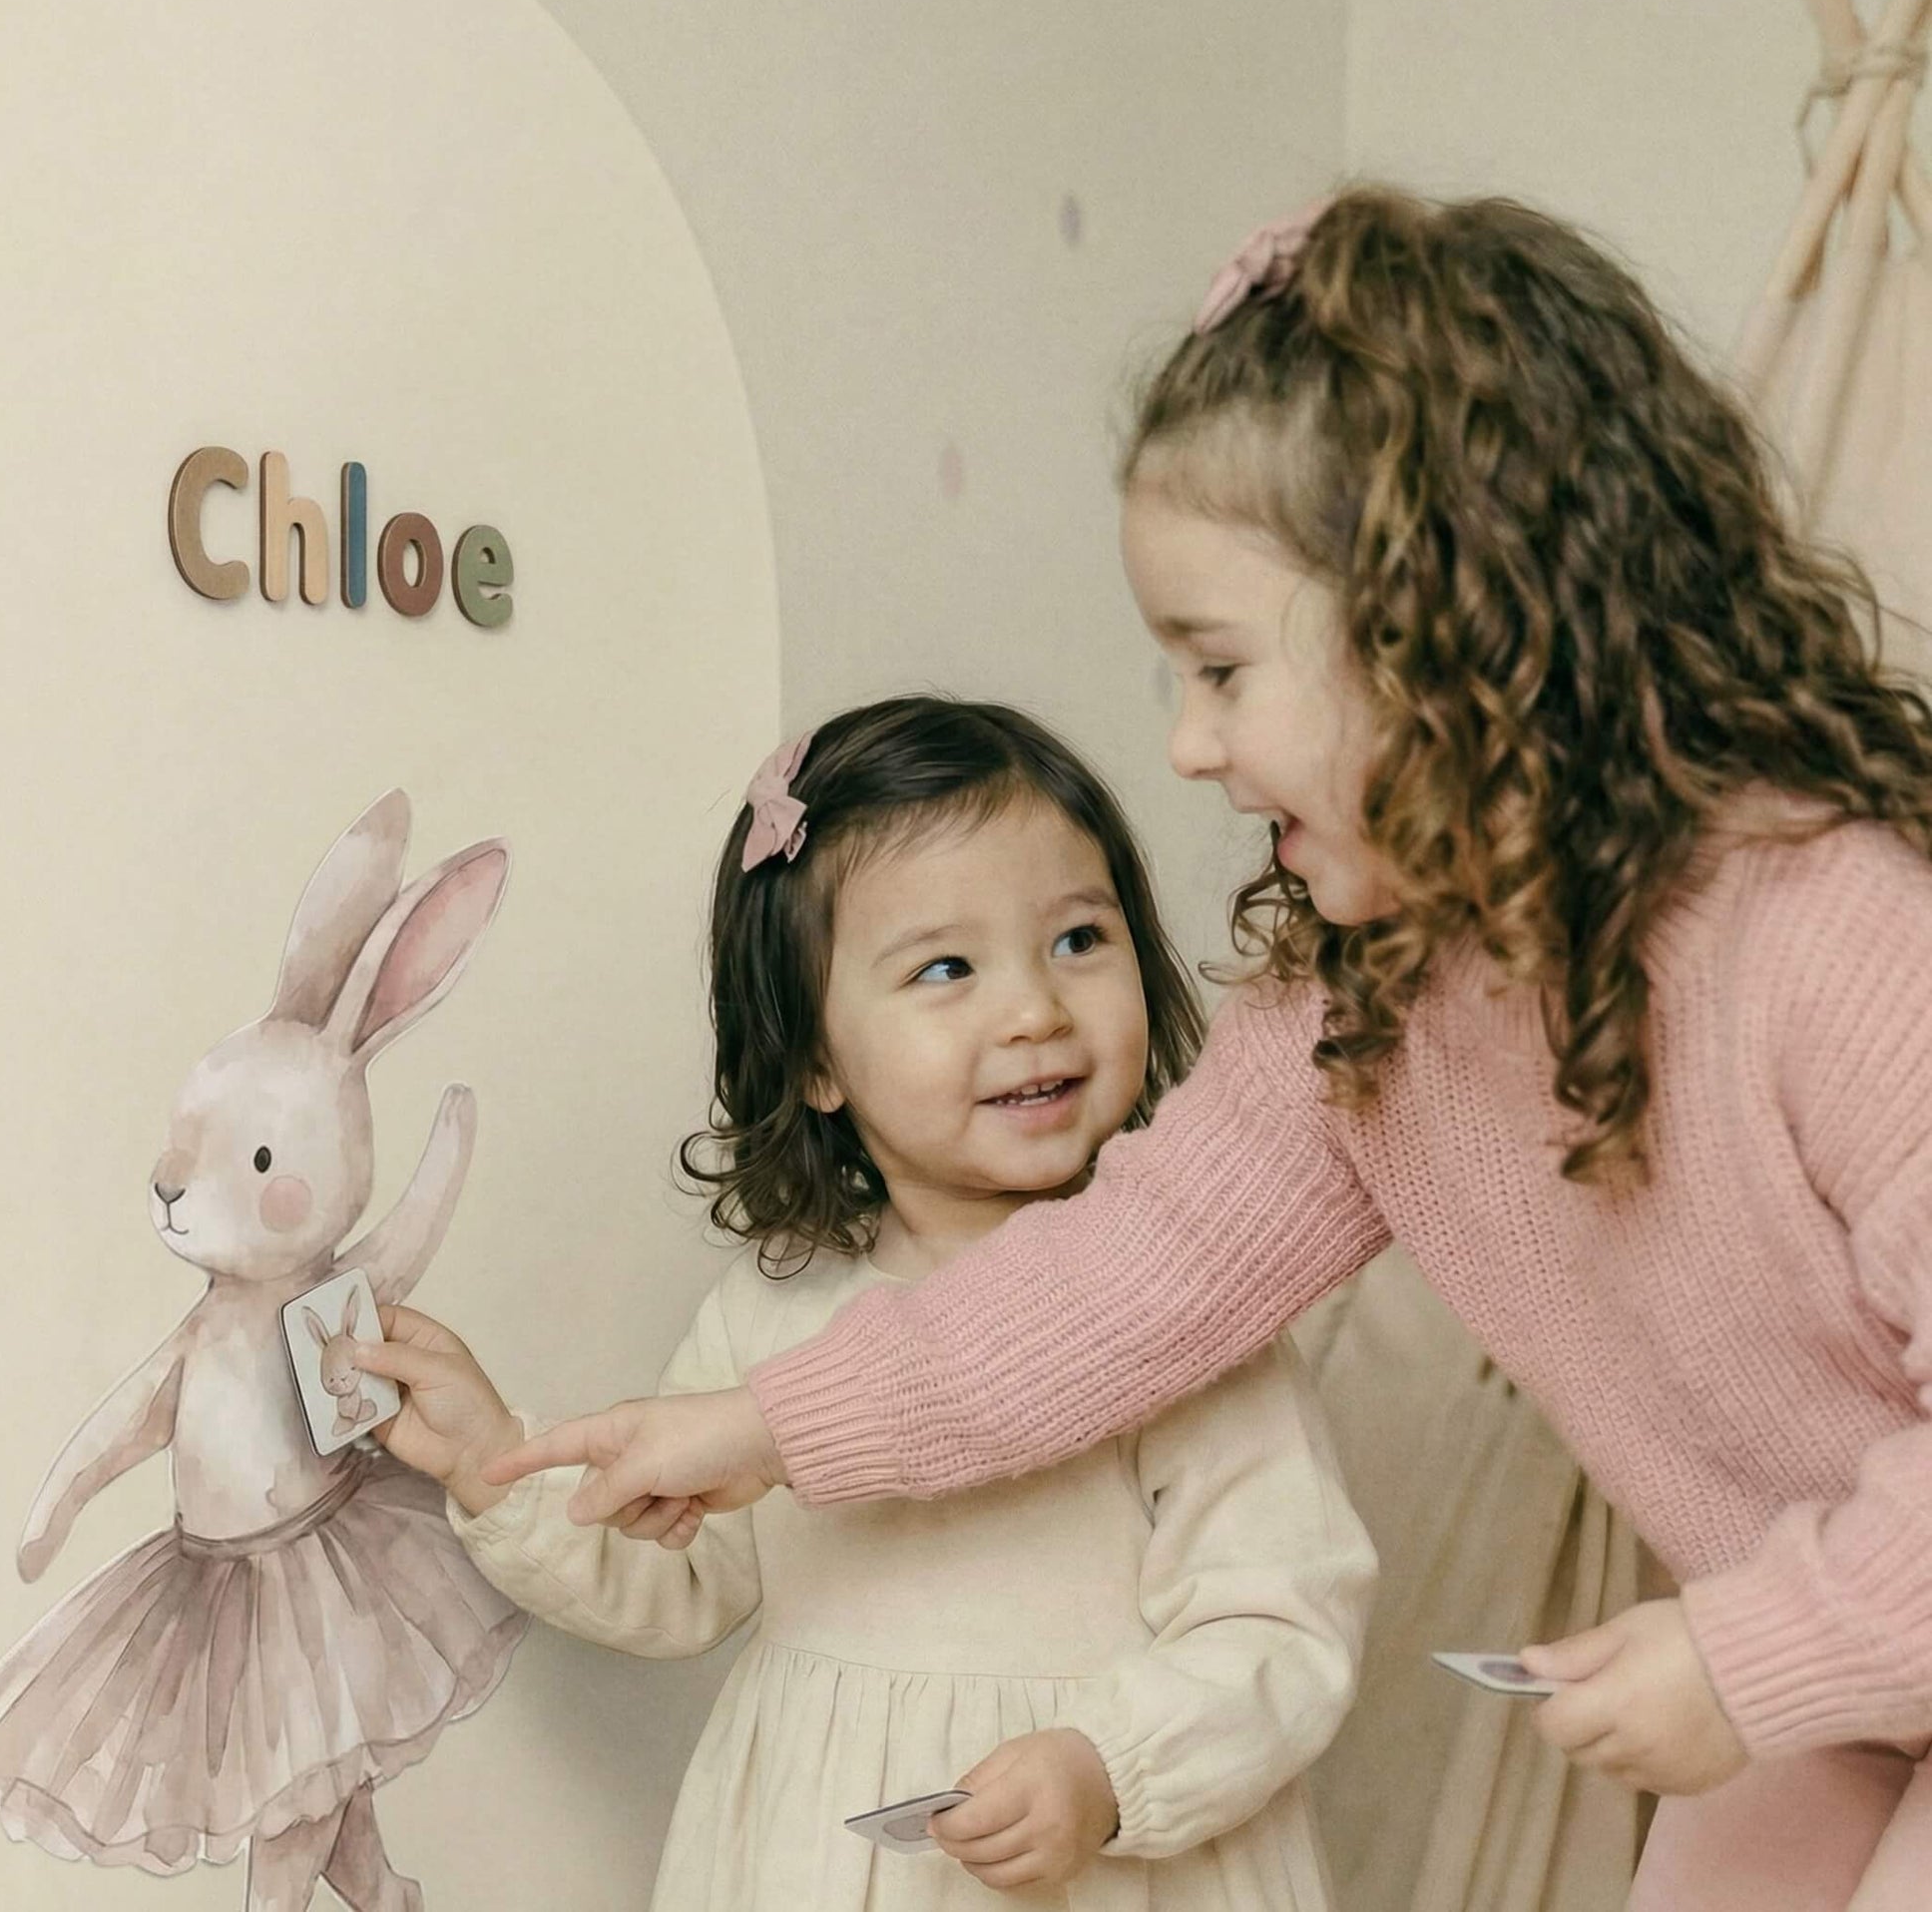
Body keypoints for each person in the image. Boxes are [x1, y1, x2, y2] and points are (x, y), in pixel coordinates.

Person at [487, 190, 1932, 1909]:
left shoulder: (1842, 946)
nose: (1183, 745)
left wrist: (1755, 1660)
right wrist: (770, 1427)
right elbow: (1114, 1284)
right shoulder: (1367, 1000)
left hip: (1836, 1630)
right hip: (1838, 1653)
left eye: (1222, 669)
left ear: (1454, 636)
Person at [363, 697, 1375, 1908]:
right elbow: (682, 1577)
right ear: (815, 1061)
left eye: (1078, 939)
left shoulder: (1183, 1321)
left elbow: (1279, 1624)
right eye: (945, 967)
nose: (1033, 1009)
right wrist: (494, 1465)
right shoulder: (774, 1311)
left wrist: (1107, 1768)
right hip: (822, 1860)